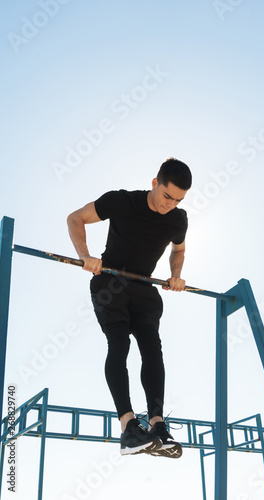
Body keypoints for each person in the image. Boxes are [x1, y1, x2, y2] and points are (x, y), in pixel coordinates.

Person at [67, 158, 192, 458]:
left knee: (152, 349)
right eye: (166, 196)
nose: (169, 205)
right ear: (154, 183)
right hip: (109, 282)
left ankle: (157, 425)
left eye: (177, 200)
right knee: (119, 343)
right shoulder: (121, 201)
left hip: (143, 288)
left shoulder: (178, 219)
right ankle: (128, 427)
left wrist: (175, 275)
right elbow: (75, 218)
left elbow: (179, 249)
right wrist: (85, 256)